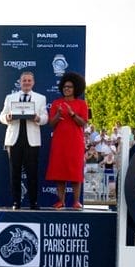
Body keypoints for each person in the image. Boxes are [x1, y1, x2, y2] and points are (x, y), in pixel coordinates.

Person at [0, 69, 49, 209]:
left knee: (32, 172)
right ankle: (16, 202)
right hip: (14, 140)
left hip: (32, 141)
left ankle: (33, 202)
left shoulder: (40, 98)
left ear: (33, 82)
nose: (26, 83)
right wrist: (7, 117)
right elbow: (1, 116)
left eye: (29, 80)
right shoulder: (10, 97)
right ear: (20, 82)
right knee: (14, 172)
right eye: (24, 80)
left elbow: (45, 118)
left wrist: (38, 118)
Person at [46, 71, 89, 209]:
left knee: (75, 172)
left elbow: (83, 123)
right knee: (60, 171)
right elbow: (51, 123)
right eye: (64, 87)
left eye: (69, 87)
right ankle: (61, 201)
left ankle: (76, 201)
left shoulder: (82, 104)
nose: (66, 89)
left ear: (75, 88)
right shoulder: (56, 103)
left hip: (75, 142)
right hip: (59, 142)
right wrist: (58, 114)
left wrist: (72, 114)